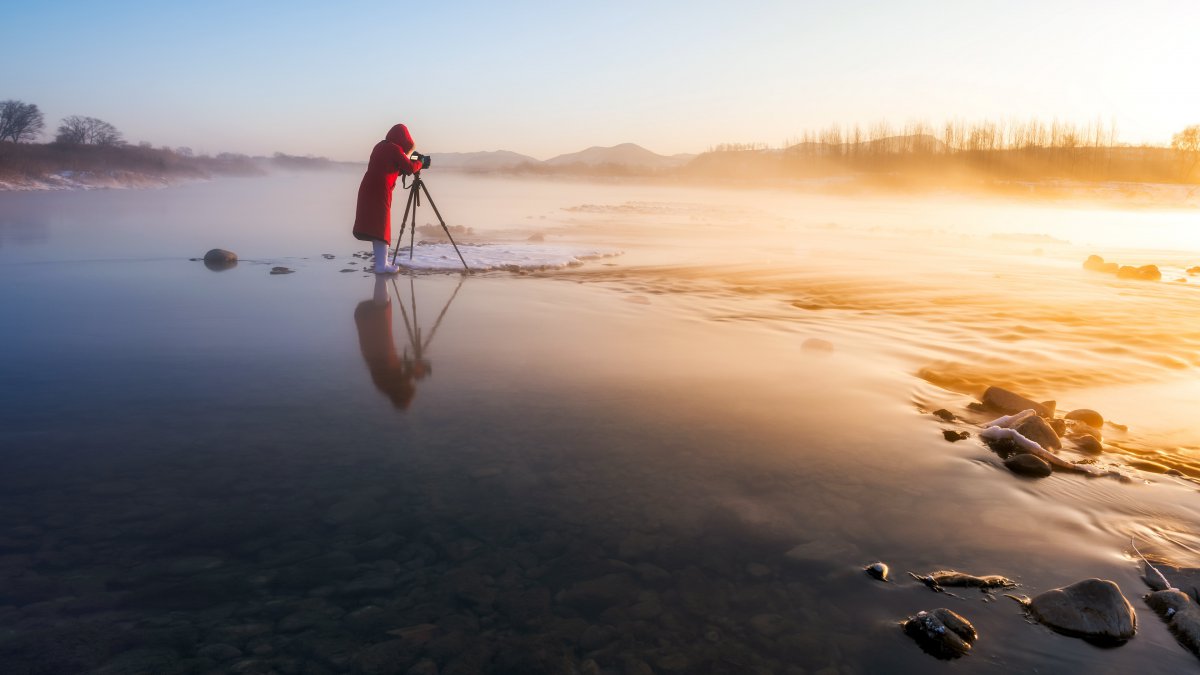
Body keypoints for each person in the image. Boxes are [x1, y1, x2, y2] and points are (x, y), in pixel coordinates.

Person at [353, 123, 422, 274]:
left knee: (376, 227)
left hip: (368, 188)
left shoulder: (380, 146)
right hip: (380, 190)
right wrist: (420, 162)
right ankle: (381, 266)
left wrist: (405, 166)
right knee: (382, 226)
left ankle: (381, 262)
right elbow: (410, 168)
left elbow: (389, 168)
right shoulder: (394, 148)